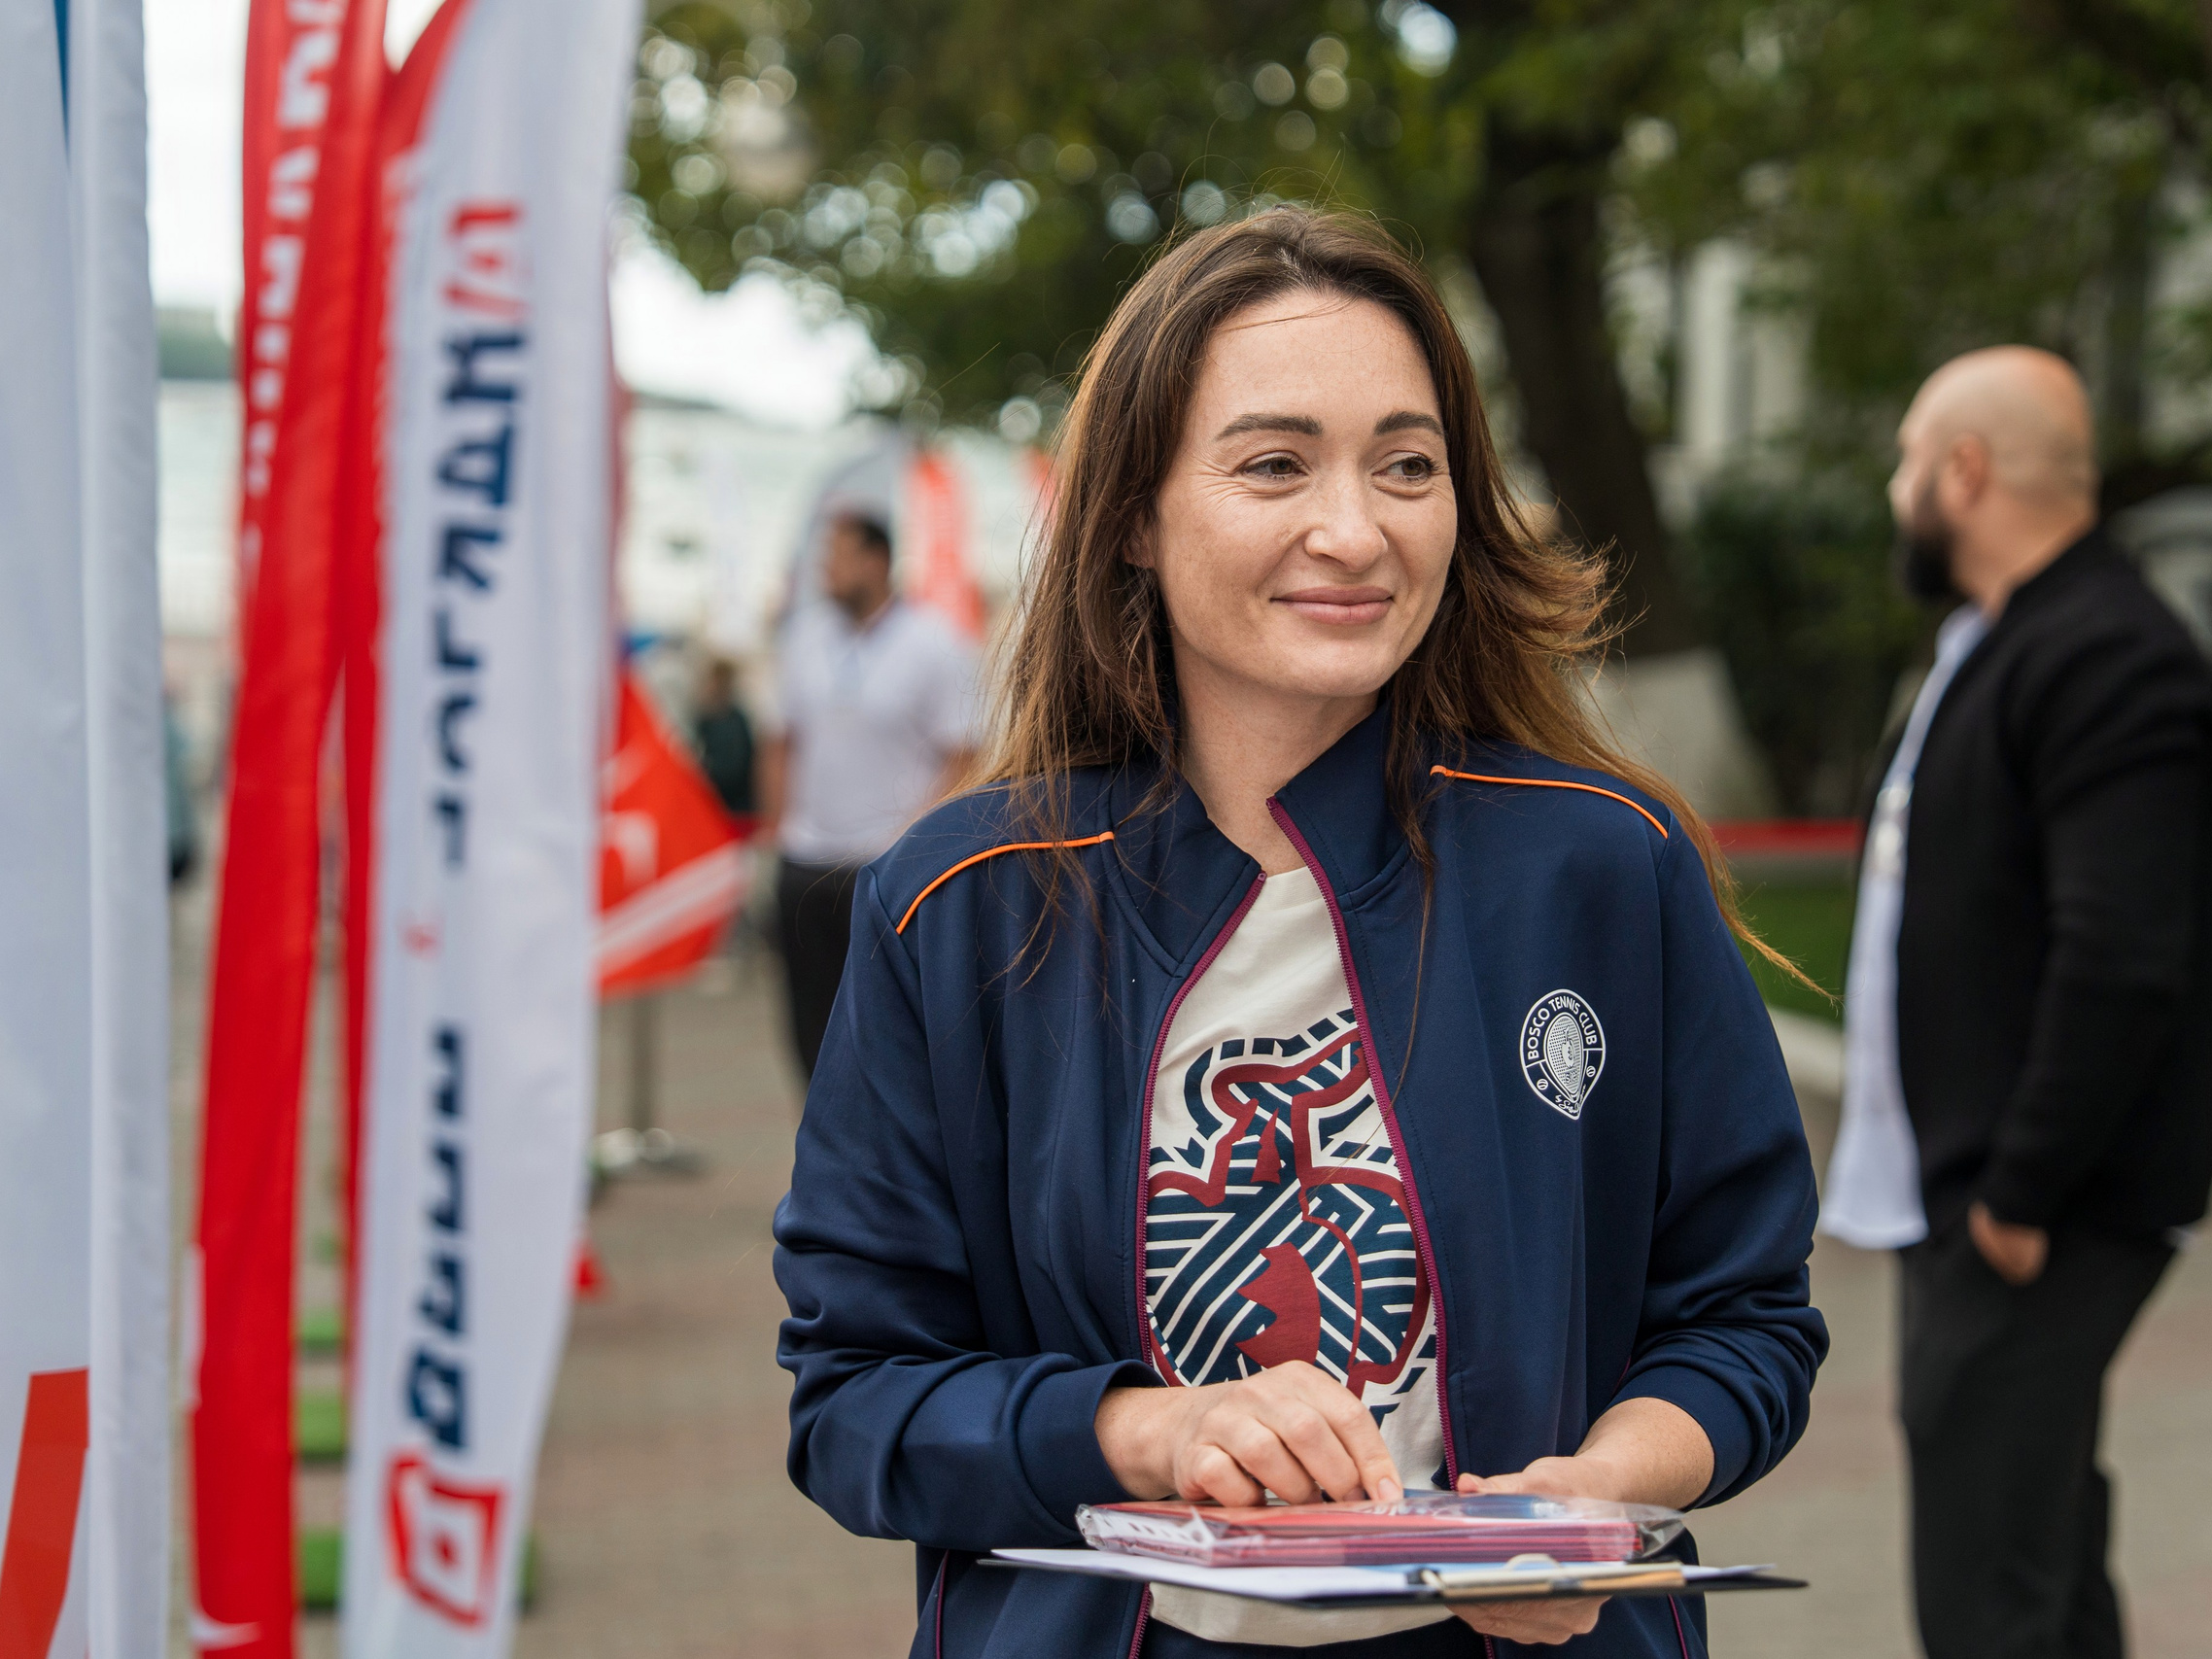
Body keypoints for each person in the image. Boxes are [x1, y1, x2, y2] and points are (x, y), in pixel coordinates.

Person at [773, 208, 1827, 1657]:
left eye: (1408, 465)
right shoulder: (962, 905)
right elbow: (856, 1397)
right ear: (1134, 513)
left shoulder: (1601, 864)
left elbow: (1746, 1316)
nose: (1356, 528)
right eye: (1275, 463)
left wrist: (1601, 1492)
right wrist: (1155, 1431)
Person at [1824, 348, 2212, 1659]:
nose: (1896, 492)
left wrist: (2020, 1192)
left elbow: (2122, 955)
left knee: (1986, 1587)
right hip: (1977, 1192)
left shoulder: (2110, 654)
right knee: (2038, 1549)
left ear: (1967, 472)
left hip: (2037, 1209)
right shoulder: (2003, 643)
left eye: (1906, 462)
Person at [755, 511, 979, 1074]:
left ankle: (885, 1156)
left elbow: (965, 756)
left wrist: (913, 846)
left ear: (877, 561)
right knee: (809, 1034)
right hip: (806, 863)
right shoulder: (805, 637)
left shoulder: (934, 643)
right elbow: (782, 741)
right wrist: (778, 829)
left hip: (884, 870)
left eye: (838, 556)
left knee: (888, 1036)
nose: (826, 570)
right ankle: (819, 1151)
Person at [688, 656, 758, 830]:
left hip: (735, 808)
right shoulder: (705, 719)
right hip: (716, 805)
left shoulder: (734, 720)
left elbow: (735, 767)